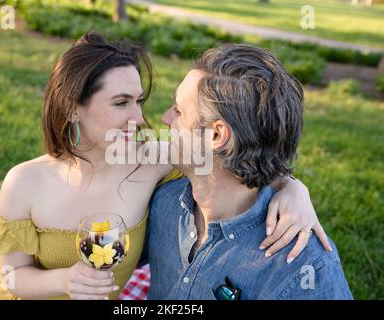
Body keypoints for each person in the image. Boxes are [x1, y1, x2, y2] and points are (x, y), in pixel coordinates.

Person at [0, 33, 329, 300]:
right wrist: (64, 280)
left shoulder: (150, 157)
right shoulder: (25, 182)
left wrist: (294, 189)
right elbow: (9, 278)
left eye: (139, 101)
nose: (140, 119)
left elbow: (239, 152)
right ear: (73, 107)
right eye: (121, 103)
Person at [146, 43, 353, 299]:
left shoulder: (303, 267)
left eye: (178, 111)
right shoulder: (164, 203)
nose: (166, 118)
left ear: (216, 135)